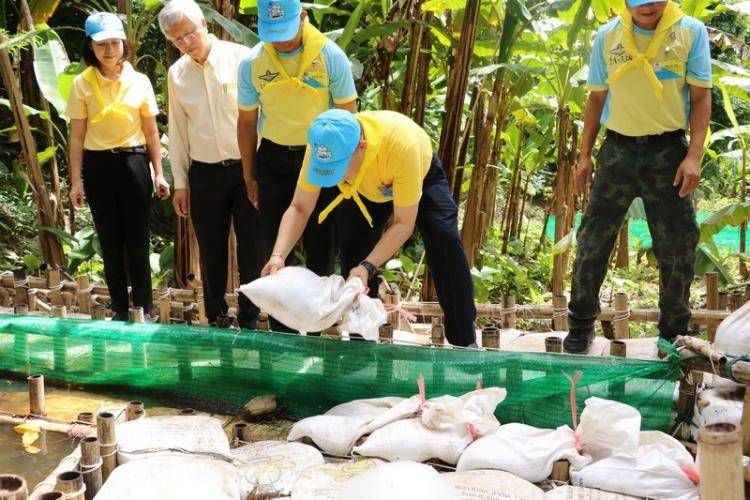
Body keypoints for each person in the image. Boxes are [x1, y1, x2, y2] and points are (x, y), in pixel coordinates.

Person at [563, 0, 711, 353]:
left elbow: (701, 96)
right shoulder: (607, 36)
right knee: (592, 241)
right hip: (618, 151)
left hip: (668, 152)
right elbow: (596, 98)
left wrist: (694, 156)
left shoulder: (690, 32)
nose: (648, 7)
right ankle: (581, 324)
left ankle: (673, 333)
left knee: (677, 246)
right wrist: (584, 156)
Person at [261, 109, 478, 347]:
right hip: (362, 188)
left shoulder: (402, 147)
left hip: (418, 174)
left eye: (338, 167)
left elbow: (403, 224)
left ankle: (464, 342)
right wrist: (278, 255)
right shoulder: (322, 146)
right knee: (354, 253)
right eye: (327, 169)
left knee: (445, 240)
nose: (333, 176)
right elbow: (300, 207)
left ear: (361, 147)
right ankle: (361, 346)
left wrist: (369, 266)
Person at [237, 0, 357, 332]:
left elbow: (348, 116)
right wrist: (249, 174)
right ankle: (282, 334)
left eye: (286, 32)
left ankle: (318, 331)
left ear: (303, 17)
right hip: (273, 159)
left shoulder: (330, 56)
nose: (280, 41)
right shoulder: (252, 63)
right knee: (276, 249)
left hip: (322, 157)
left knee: (322, 246)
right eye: (272, 33)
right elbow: (246, 122)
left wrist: (345, 171)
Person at [159, 0, 265, 329]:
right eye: (177, 39)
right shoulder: (177, 74)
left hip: (247, 168)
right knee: (211, 249)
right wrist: (180, 183)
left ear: (204, 25)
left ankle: (250, 316)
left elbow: (263, 115)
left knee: (252, 247)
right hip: (204, 172)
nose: (186, 43)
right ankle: (216, 315)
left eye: (189, 33)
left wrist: (260, 170)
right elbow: (178, 131)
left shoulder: (242, 58)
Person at [67, 12, 170, 321]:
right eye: (102, 44)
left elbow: (151, 132)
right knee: (110, 241)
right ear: (90, 47)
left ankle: (145, 309)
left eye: (115, 42)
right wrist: (76, 181)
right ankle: (120, 309)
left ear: (124, 43)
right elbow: (77, 136)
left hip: (134, 163)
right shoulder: (81, 84)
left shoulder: (139, 81)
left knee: (138, 240)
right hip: (98, 166)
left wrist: (159, 173)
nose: (109, 50)